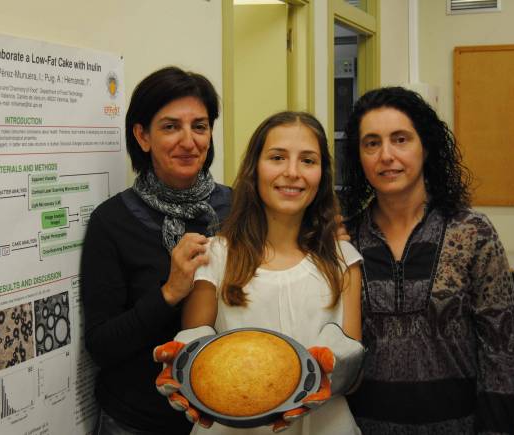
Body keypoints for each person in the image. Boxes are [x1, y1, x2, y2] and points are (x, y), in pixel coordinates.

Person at [155, 111, 364, 434]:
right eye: (277, 157)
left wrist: (332, 367)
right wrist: (183, 358)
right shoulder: (215, 256)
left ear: (322, 174)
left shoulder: (343, 260)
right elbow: (198, 342)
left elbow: (351, 369)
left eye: (308, 161)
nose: (292, 173)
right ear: (255, 169)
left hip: (324, 425)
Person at [340, 87, 514, 434]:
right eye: (371, 143)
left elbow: (503, 350)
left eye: (401, 139)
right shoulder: (344, 240)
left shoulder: (472, 233)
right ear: (358, 156)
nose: (386, 155)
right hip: (359, 427)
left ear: (426, 146)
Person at [81, 66, 232, 435]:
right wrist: (170, 293)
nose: (189, 141)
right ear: (142, 136)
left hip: (227, 416)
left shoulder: (239, 209)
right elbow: (101, 346)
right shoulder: (112, 221)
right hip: (138, 421)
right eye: (170, 127)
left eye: (199, 126)